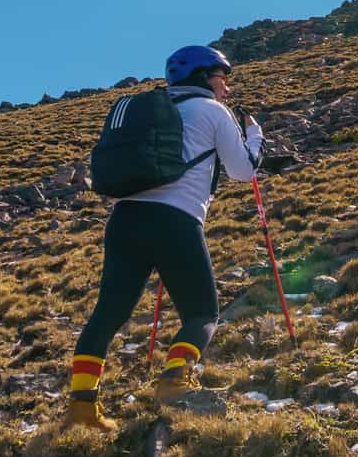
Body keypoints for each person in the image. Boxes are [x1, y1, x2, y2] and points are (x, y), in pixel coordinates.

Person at [65, 44, 264, 433]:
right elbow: (243, 171)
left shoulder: (153, 109)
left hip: (125, 218)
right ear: (206, 76)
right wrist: (255, 137)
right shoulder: (213, 111)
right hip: (176, 218)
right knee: (202, 313)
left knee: (108, 313)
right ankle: (174, 382)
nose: (227, 88)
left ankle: (81, 409)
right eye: (223, 78)